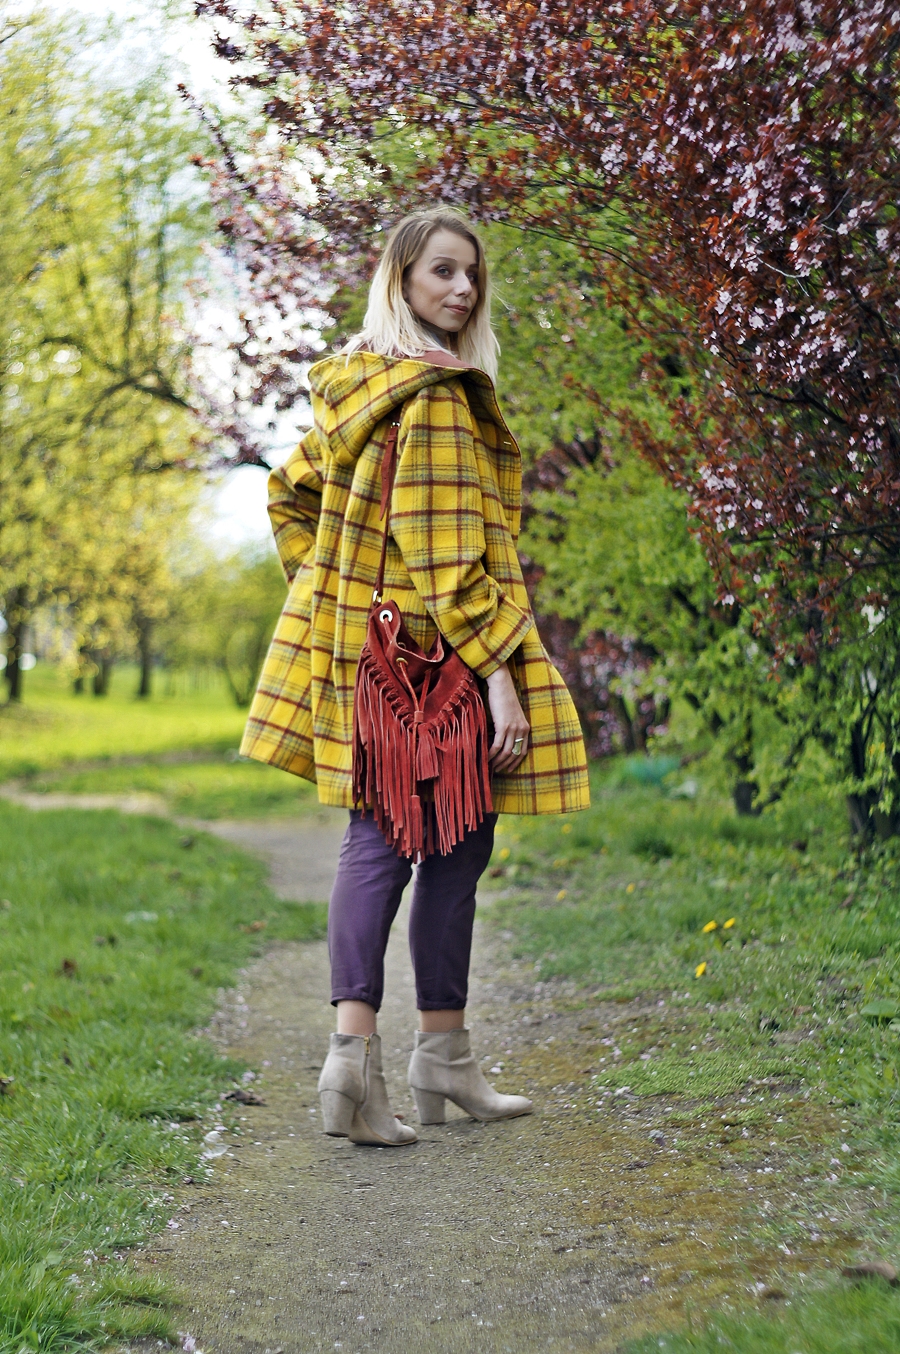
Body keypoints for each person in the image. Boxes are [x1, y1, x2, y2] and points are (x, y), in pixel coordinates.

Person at [241, 207, 590, 1145]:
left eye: (472, 274)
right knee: (412, 841)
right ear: (399, 279)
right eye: (442, 271)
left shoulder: (360, 386)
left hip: (377, 654)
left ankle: (431, 1058)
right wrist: (501, 676)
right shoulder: (434, 396)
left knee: (426, 839)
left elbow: (288, 492)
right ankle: (370, 1063)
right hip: (437, 663)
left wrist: (338, 591)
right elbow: (447, 563)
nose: (463, 289)